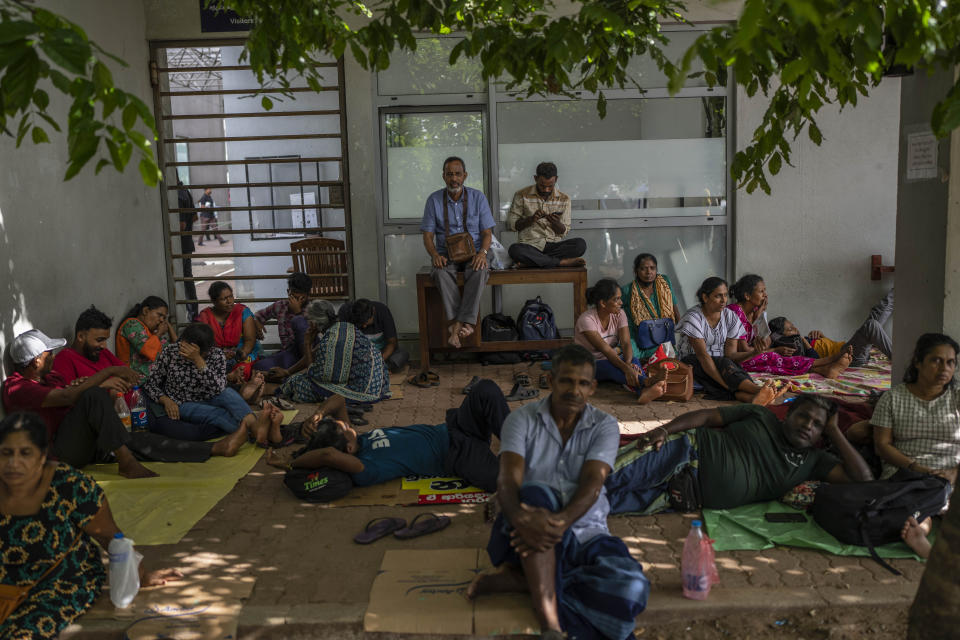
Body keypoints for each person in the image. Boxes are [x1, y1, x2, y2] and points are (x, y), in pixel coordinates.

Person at [466, 344, 649, 640]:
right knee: (537, 494)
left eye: (582, 383)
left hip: (585, 531)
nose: (573, 390)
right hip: (523, 528)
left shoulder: (604, 426)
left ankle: (527, 579)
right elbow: (507, 481)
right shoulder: (521, 420)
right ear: (551, 381)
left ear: (592, 388)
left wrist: (560, 523)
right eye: (566, 380)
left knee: (632, 590)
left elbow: (593, 484)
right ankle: (550, 624)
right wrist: (521, 519)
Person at [0, 413, 181, 639]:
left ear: (42, 456)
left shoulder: (67, 484)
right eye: (6, 453)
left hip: (59, 582)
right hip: (6, 580)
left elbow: (110, 537)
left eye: (25, 453)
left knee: (21, 635)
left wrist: (140, 577)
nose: (13, 463)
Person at [2, 330, 247, 479]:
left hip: (84, 439)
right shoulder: (17, 388)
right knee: (95, 398)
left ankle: (216, 449)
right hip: (57, 453)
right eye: (48, 354)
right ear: (35, 362)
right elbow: (68, 398)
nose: (53, 357)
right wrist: (107, 375)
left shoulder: (51, 377)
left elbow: (72, 394)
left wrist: (100, 385)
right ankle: (126, 463)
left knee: (143, 441)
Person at [606, 394, 874, 515]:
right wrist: (664, 429)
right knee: (602, 480)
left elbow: (863, 480)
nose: (808, 425)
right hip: (683, 452)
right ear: (789, 414)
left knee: (601, 506)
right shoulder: (761, 416)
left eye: (817, 425)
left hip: (682, 497)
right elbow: (709, 415)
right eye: (804, 416)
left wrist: (834, 431)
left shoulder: (814, 461)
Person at [266, 380, 508, 492]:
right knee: (507, 481)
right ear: (347, 450)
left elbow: (338, 401)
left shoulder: (357, 440)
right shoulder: (366, 468)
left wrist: (317, 415)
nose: (345, 422)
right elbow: (328, 455)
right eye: (343, 426)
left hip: (455, 428)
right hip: (459, 455)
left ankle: (518, 445)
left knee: (484, 389)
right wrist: (291, 463)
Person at [871, 333, 959, 558]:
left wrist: (953, 472)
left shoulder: (957, 398)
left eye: (950, 362)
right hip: (907, 472)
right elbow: (883, 445)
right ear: (918, 362)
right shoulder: (893, 399)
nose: (944, 368)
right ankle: (919, 532)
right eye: (936, 360)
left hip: (950, 473)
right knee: (915, 507)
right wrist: (916, 469)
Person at [142, 323, 283, 446]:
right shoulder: (170, 352)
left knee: (229, 394)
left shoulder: (216, 355)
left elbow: (218, 388)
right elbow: (150, 384)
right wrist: (166, 400)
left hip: (213, 396)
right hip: (183, 402)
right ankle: (255, 432)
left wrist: (199, 361)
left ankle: (257, 428)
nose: (183, 350)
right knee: (218, 414)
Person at [420, 156, 496, 349]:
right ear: (443, 176)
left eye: (458, 174)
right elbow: (428, 236)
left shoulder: (478, 197)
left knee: (480, 271)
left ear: (465, 175)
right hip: (446, 254)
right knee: (439, 272)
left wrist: (483, 253)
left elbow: (487, 232)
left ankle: (457, 326)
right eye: (450, 174)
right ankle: (463, 323)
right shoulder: (434, 200)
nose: (454, 178)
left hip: (474, 253)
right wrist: (435, 255)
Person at [675, 277, 781, 404]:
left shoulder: (730, 316)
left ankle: (753, 398)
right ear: (705, 297)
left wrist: (754, 353)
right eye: (718, 296)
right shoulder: (693, 318)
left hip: (721, 364)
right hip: (692, 363)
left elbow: (731, 354)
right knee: (727, 367)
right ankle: (758, 390)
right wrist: (726, 385)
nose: (723, 300)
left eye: (725, 295)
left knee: (733, 367)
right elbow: (703, 357)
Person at [728, 274, 853, 378]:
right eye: (761, 291)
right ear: (747, 296)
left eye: (765, 291)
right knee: (773, 357)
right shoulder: (735, 312)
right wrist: (773, 350)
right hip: (739, 360)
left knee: (776, 357)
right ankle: (829, 360)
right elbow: (745, 351)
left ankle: (824, 370)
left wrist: (759, 316)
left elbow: (766, 341)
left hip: (753, 355)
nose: (765, 295)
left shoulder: (754, 311)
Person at [574, 278, 666, 404]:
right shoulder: (587, 320)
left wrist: (628, 364)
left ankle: (643, 393)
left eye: (620, 298)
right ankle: (646, 381)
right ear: (603, 303)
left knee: (634, 360)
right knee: (614, 366)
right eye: (616, 299)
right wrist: (626, 368)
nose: (621, 302)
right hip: (586, 366)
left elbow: (626, 343)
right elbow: (606, 350)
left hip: (611, 359)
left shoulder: (619, 314)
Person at [768, 288, 895, 368]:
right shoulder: (795, 348)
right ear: (783, 338)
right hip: (850, 356)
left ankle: (901, 282)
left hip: (848, 346)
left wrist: (823, 337)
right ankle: (898, 360)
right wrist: (805, 342)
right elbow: (815, 361)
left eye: (793, 326)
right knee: (871, 325)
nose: (795, 329)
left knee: (879, 310)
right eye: (790, 329)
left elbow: (830, 347)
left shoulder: (803, 339)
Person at [276, 316, 388, 404]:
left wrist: (307, 343)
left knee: (298, 384)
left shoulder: (333, 339)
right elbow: (313, 355)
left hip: (364, 392)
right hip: (379, 386)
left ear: (315, 323)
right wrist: (287, 372)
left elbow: (314, 376)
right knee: (296, 377)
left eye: (309, 321)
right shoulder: (342, 329)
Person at [506, 162, 586, 269]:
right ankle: (560, 263)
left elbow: (563, 231)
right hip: (530, 245)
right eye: (542, 186)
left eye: (550, 186)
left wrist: (556, 223)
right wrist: (531, 219)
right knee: (515, 250)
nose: (546, 189)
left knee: (580, 245)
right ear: (535, 178)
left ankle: (533, 261)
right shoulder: (521, 195)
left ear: (556, 179)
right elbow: (512, 225)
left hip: (554, 245)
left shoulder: (564, 199)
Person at [51, 306, 141, 395]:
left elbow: (129, 375)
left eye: (105, 340)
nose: (104, 346)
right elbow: (68, 397)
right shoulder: (64, 359)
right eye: (99, 340)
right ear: (81, 336)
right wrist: (103, 385)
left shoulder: (102, 353)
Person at [621, 252, 682, 362]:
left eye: (652, 268)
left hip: (663, 335)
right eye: (643, 268)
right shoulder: (627, 290)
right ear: (636, 271)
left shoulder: (664, 282)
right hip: (638, 336)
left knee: (672, 362)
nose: (649, 272)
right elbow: (623, 318)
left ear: (656, 269)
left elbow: (674, 306)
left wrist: (682, 330)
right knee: (636, 360)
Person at [196, 281, 261, 374]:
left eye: (231, 296)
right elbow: (203, 345)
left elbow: (250, 340)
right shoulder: (205, 316)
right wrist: (220, 357)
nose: (229, 301)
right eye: (224, 299)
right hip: (215, 357)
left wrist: (242, 354)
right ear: (214, 301)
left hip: (241, 354)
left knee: (244, 371)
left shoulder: (242, 311)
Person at [253, 272, 312, 375]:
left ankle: (291, 374)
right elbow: (258, 315)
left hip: (308, 354)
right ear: (288, 292)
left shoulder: (312, 310)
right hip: (288, 353)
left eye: (301, 298)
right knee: (259, 367)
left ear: (307, 295)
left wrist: (298, 312)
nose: (298, 301)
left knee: (299, 322)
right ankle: (288, 375)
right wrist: (257, 323)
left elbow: (308, 336)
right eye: (294, 297)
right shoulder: (281, 306)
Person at [338, 298, 408, 373]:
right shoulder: (345, 311)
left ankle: (378, 368)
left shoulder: (382, 310)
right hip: (358, 356)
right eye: (360, 323)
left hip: (382, 354)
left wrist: (377, 361)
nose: (364, 326)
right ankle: (371, 370)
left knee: (402, 354)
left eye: (366, 322)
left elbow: (392, 343)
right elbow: (345, 344)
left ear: (374, 311)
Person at [115, 296, 178, 378]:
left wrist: (169, 327)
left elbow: (176, 350)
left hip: (151, 381)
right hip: (135, 381)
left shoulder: (150, 333)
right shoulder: (131, 324)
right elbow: (147, 351)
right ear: (146, 311)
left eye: (164, 318)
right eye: (159, 315)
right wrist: (159, 333)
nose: (162, 320)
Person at [177, 179, 199, 319]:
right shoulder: (186, 192)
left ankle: (191, 315)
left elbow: (181, 225)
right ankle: (194, 315)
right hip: (187, 243)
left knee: (183, 279)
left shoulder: (177, 195)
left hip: (180, 245)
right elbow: (195, 217)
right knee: (187, 278)